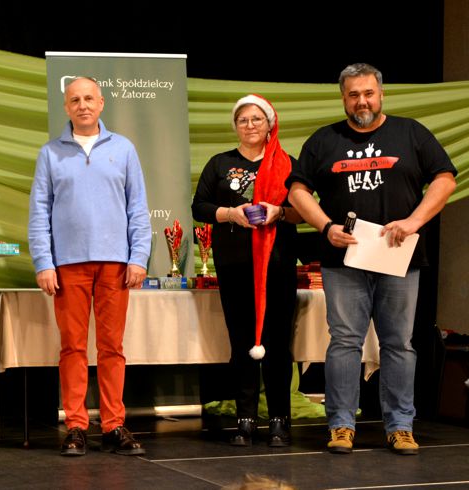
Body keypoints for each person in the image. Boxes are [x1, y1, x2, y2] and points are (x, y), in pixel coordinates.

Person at [287, 63, 457, 455]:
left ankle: (400, 426)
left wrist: (414, 221)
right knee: (345, 342)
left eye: (368, 93)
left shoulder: (411, 133)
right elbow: (296, 191)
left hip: (398, 257)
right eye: (353, 95)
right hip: (343, 259)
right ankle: (341, 425)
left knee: (398, 342)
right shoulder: (324, 140)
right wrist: (326, 227)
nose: (361, 101)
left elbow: (445, 179)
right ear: (343, 98)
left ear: (381, 94)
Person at [28, 77, 152, 456]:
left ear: (101, 103)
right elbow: (39, 212)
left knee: (112, 347)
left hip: (116, 264)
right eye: (74, 100)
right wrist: (44, 262)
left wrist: (138, 257)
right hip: (67, 265)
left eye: (88, 98)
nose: (82, 105)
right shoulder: (50, 153)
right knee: (73, 347)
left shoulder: (124, 148)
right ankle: (76, 426)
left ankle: (114, 424)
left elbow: (137, 208)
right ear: (66, 107)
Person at [192, 94, 302, 447]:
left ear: (270, 124)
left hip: (277, 266)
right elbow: (199, 207)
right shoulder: (220, 163)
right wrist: (230, 214)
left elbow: (305, 211)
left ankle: (280, 420)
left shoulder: (287, 165)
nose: (250, 125)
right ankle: (245, 420)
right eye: (243, 120)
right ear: (235, 126)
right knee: (241, 342)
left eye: (257, 119)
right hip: (235, 265)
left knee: (277, 344)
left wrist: (279, 212)